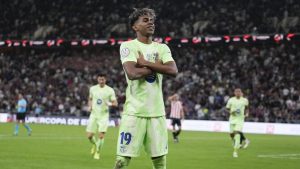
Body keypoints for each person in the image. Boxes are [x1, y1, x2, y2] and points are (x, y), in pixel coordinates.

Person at [114, 8, 178, 169]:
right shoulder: (128, 46)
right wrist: (157, 66)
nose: (150, 22)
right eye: (145, 20)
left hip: (157, 113)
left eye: (152, 20)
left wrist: (146, 63)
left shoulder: (162, 48)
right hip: (134, 112)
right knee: (121, 161)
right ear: (135, 27)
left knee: (160, 161)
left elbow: (173, 71)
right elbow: (132, 73)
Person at [86, 73, 118, 160]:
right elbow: (90, 99)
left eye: (102, 79)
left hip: (103, 115)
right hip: (94, 114)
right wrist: (89, 106)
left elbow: (115, 103)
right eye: (99, 79)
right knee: (89, 136)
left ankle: (98, 152)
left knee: (101, 135)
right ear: (97, 79)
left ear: (105, 80)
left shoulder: (110, 90)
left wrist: (110, 103)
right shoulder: (92, 89)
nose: (101, 81)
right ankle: (94, 144)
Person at [226, 88, 250, 158]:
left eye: (239, 92)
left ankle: (235, 152)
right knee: (231, 135)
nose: (238, 93)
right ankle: (244, 141)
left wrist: (247, 113)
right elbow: (227, 108)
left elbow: (247, 108)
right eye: (236, 92)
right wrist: (231, 112)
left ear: (241, 93)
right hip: (232, 119)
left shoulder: (245, 100)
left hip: (240, 119)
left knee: (237, 134)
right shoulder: (231, 100)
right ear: (234, 93)